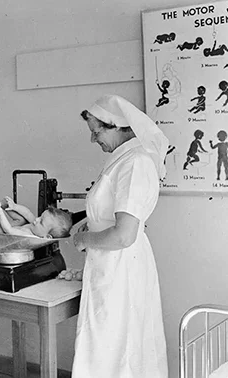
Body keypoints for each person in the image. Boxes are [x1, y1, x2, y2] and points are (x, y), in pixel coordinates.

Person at [72, 95, 168, 377]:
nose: (93, 140)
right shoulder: (123, 159)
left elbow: (124, 236)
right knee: (108, 345)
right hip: (112, 266)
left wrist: (83, 240)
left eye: (96, 131)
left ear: (117, 126)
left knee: (118, 348)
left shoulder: (135, 162)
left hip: (121, 266)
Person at [0, 196, 72, 238]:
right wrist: (15, 206)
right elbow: (27, 213)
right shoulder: (35, 225)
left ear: (47, 237)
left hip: (5, 233)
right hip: (13, 226)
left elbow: (8, 230)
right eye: (40, 216)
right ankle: (6, 206)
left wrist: (1, 214)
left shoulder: (28, 235)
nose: (37, 219)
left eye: (41, 222)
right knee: (22, 219)